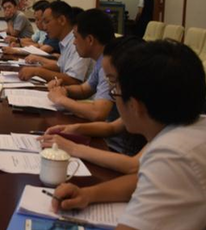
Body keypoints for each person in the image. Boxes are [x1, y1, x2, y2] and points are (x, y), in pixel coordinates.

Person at [51, 40, 206, 230]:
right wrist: (89, 194)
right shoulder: (194, 126)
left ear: (134, 105)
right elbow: (141, 178)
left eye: (115, 91)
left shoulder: (172, 156)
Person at [44, 36, 147, 156]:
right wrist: (75, 128)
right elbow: (112, 127)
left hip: (118, 153)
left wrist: (73, 148)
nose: (111, 89)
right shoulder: (136, 103)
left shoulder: (156, 119)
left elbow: (134, 164)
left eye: (112, 80)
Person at [46, 9, 115, 121]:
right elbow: (84, 90)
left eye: (76, 37)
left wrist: (60, 99)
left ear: (90, 40)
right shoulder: (101, 58)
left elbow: (98, 112)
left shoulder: (110, 62)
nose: (74, 42)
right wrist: (63, 90)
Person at [18, 1, 92, 84]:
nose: (44, 27)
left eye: (47, 22)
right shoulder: (65, 41)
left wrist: (37, 71)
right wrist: (34, 68)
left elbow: (74, 80)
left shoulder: (77, 42)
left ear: (62, 20)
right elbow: (60, 67)